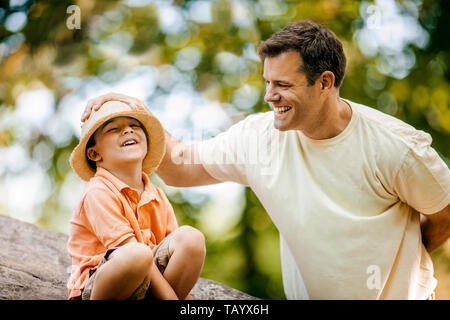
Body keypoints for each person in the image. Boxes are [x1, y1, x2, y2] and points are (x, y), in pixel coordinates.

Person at [81, 20, 450, 299]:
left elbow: (445, 209)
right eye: (267, 83)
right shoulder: (258, 137)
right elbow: (177, 165)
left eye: (283, 85)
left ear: (324, 83)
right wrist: (135, 112)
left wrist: (398, 255)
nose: (270, 96)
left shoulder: (395, 146)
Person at [67, 100, 206, 300]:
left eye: (134, 126)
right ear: (94, 153)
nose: (127, 131)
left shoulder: (156, 195)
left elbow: (171, 255)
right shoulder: (97, 192)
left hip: (149, 283)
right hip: (104, 282)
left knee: (191, 238)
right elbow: (132, 254)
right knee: (137, 254)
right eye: (113, 128)